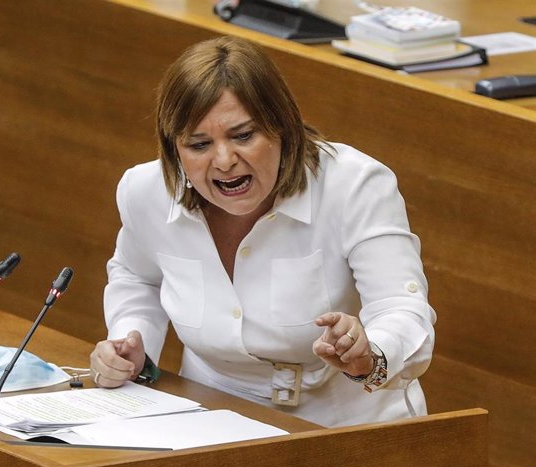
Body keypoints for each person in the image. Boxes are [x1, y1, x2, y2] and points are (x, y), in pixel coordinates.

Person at [89, 35, 435, 427]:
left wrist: (369, 354)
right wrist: (130, 346)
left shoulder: (354, 184)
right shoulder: (145, 192)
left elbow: (402, 309)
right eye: (199, 144)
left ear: (282, 127)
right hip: (211, 415)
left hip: (350, 425)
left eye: (243, 136)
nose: (224, 161)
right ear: (174, 150)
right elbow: (137, 278)